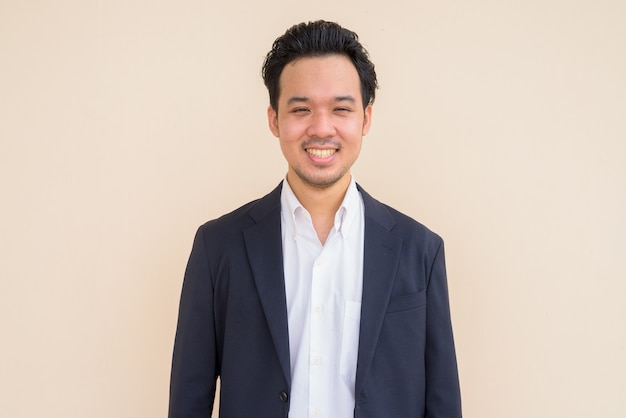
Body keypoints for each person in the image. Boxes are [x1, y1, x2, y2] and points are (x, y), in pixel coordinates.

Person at [168, 20, 462, 418]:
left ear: (365, 119)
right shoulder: (218, 247)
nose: (322, 128)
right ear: (274, 119)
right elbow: (189, 401)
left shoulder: (420, 251)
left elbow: (443, 405)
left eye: (341, 109)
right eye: (301, 109)